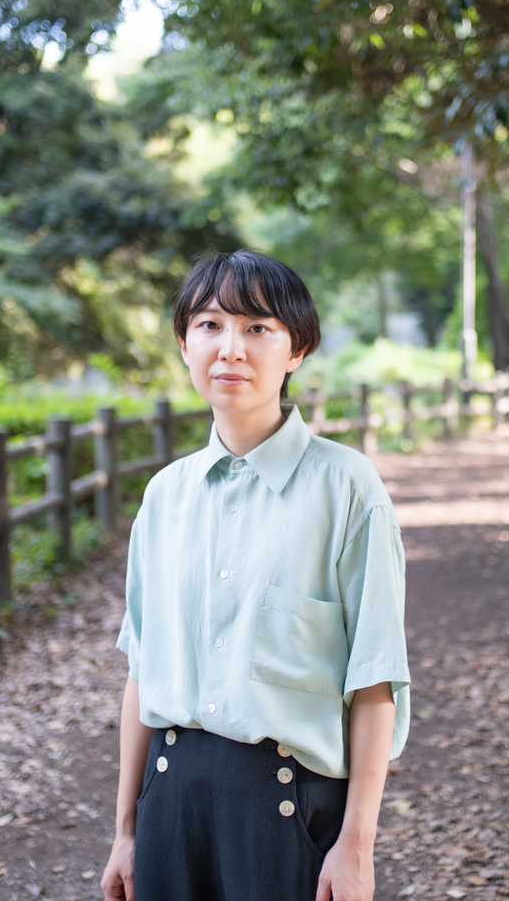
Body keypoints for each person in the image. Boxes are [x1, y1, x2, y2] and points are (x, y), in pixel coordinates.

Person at [99, 250, 411, 901]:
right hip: (168, 804)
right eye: (210, 326)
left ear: (296, 350)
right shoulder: (165, 495)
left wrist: (356, 845)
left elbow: (375, 678)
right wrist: (125, 832)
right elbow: (140, 673)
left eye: (257, 328)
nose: (230, 349)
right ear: (184, 344)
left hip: (286, 808)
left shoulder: (347, 487)